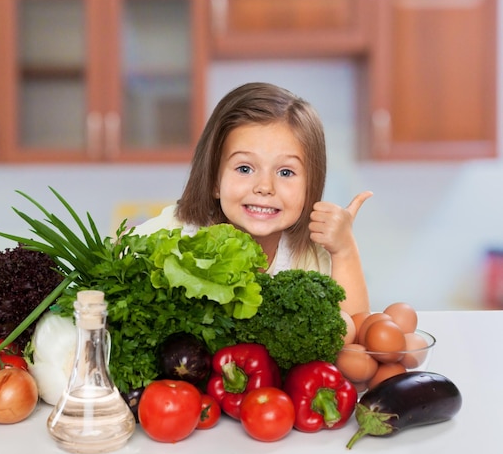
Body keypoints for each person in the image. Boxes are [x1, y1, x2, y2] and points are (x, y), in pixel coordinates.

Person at [132, 82, 372, 315]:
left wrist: (344, 250)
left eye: (285, 172)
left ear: (311, 186)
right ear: (215, 181)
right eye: (245, 169)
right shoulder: (174, 235)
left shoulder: (309, 255)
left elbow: (355, 333)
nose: (265, 187)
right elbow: (113, 269)